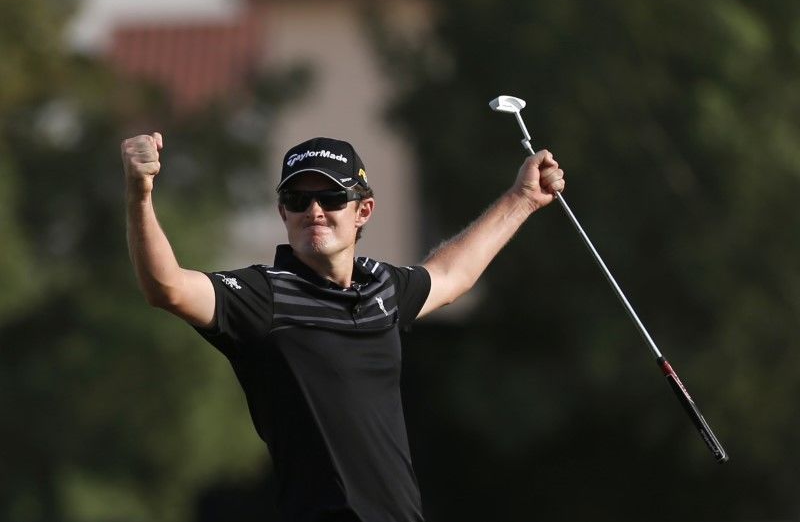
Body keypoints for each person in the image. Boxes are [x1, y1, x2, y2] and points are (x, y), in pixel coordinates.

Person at [121, 134, 565, 522]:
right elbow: (168, 286)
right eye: (298, 201)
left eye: (331, 198)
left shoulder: (383, 287)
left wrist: (522, 199)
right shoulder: (262, 295)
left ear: (363, 210)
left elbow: (451, 276)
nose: (314, 211)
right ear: (283, 212)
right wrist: (140, 194)